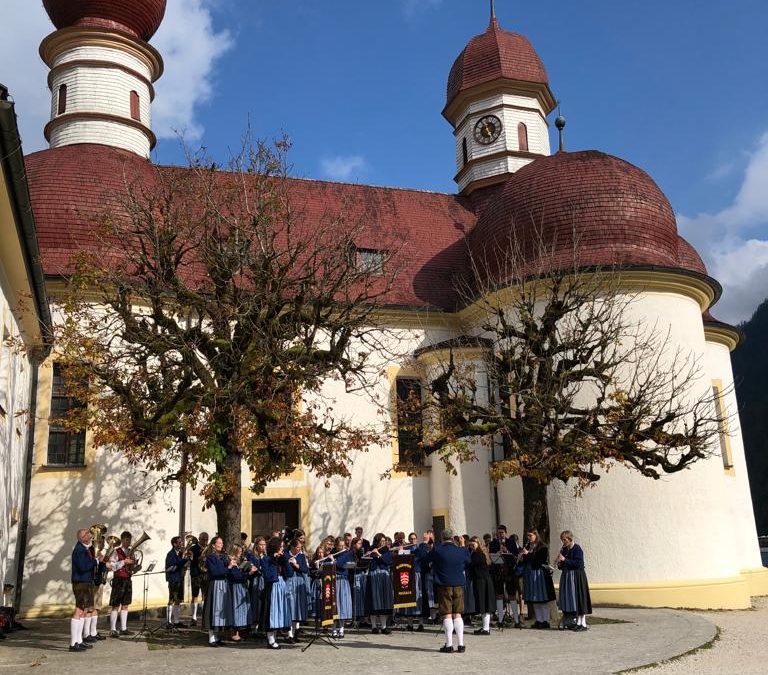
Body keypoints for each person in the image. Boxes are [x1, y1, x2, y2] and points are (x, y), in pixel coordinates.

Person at [427, 528, 470, 653]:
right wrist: (462, 546)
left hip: (444, 584)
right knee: (457, 614)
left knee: (446, 614)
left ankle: (449, 645)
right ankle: (461, 644)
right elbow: (468, 560)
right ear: (452, 538)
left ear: (442, 538)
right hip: (458, 584)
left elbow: (425, 559)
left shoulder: (438, 550)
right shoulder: (461, 551)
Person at [69, 528, 100, 652]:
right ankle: (73, 643)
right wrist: (96, 561)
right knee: (78, 611)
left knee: (82, 611)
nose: (91, 536)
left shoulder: (84, 549)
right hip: (81, 583)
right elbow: (83, 567)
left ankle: (79, 640)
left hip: (85, 582)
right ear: (82, 537)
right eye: (88, 534)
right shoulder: (80, 550)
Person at [519, 529, 556, 628]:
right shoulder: (528, 546)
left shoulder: (542, 547)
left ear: (536, 535)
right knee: (535, 599)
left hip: (539, 575)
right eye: (528, 536)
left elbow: (540, 561)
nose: (529, 538)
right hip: (530, 574)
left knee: (542, 599)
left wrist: (528, 554)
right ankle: (539, 620)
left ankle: (546, 621)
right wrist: (522, 556)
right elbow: (526, 561)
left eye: (530, 536)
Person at [259, 536, 292, 649]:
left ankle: (275, 637)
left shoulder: (282, 558)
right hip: (272, 587)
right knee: (271, 612)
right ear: (275, 547)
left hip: (282, 586)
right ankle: (270, 639)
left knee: (279, 612)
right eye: (280, 547)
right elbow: (268, 575)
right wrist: (273, 559)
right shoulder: (266, 559)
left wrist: (285, 560)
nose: (282, 549)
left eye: (283, 547)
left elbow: (290, 573)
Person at [203, 536, 236, 647]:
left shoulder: (222, 557)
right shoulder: (210, 557)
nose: (221, 545)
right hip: (215, 585)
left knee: (220, 609)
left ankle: (217, 637)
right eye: (219, 543)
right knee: (214, 610)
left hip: (223, 584)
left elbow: (226, 571)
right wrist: (229, 567)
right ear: (213, 545)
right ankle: (211, 638)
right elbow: (216, 572)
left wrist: (231, 563)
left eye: (222, 543)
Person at [556, 530, 592, 631]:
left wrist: (565, 560)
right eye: (562, 540)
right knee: (574, 600)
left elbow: (578, 564)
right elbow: (564, 565)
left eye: (564, 540)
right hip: (568, 576)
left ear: (570, 538)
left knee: (580, 599)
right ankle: (578, 623)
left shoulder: (577, 548)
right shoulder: (565, 549)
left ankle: (583, 624)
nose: (563, 542)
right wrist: (560, 564)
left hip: (577, 576)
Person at [108, 531, 140, 637]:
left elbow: (130, 570)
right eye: (126, 540)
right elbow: (112, 566)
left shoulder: (131, 552)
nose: (128, 542)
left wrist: (136, 568)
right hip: (118, 580)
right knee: (115, 605)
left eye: (129, 540)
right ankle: (112, 629)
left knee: (125, 605)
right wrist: (124, 562)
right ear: (122, 540)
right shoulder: (116, 551)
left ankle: (123, 628)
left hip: (127, 580)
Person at [489, 524, 521, 628]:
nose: (500, 535)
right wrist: (497, 553)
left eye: (502, 533)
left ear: (505, 533)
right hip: (498, 572)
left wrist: (507, 552)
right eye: (498, 533)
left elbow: (516, 556)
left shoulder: (511, 542)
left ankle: (516, 619)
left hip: (509, 572)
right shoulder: (493, 543)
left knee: (512, 594)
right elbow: (491, 556)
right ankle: (500, 619)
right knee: (499, 595)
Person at [366, 532, 394, 634]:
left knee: (384, 601)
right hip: (373, 576)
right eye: (381, 541)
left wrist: (378, 554)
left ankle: (384, 627)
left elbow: (388, 561)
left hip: (384, 577)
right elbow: (365, 561)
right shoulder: (371, 549)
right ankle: (373, 627)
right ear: (377, 542)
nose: (383, 543)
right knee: (373, 601)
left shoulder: (387, 550)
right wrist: (370, 554)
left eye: (384, 541)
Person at [468, 536, 495, 635]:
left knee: (484, 604)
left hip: (482, 581)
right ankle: (485, 627)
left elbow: (470, 564)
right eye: (470, 545)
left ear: (478, 543)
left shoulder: (477, 554)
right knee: (484, 604)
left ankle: (486, 628)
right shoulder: (482, 552)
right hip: (485, 580)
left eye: (473, 544)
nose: (471, 546)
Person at [284, 538, 309, 639]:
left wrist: (296, 565)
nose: (299, 549)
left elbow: (305, 570)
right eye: (298, 547)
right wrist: (289, 563)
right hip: (289, 582)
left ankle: (294, 633)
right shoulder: (286, 555)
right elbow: (286, 571)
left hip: (299, 582)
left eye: (300, 547)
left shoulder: (301, 556)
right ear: (293, 547)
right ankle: (289, 633)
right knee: (290, 607)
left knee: (297, 608)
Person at [228, 545, 253, 642]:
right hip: (235, 587)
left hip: (242, 586)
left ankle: (240, 631)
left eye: (241, 552)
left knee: (241, 609)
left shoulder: (240, 561)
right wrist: (248, 573)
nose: (240, 554)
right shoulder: (231, 561)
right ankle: (233, 632)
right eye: (239, 552)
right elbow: (236, 576)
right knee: (235, 608)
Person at [164, 536, 186, 628]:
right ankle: (168, 622)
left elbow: (183, 564)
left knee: (178, 600)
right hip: (173, 579)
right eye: (179, 543)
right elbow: (173, 566)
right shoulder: (170, 554)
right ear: (174, 544)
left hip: (179, 579)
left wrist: (188, 559)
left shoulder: (180, 553)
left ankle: (176, 621)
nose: (181, 544)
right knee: (172, 600)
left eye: (181, 542)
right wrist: (183, 560)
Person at [189, 531, 208, 626]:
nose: (205, 541)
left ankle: (205, 616)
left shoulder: (209, 549)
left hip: (206, 574)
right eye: (203, 539)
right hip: (196, 574)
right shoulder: (193, 548)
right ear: (199, 539)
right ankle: (194, 617)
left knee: (205, 596)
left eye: (206, 539)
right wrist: (199, 559)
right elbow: (191, 561)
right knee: (195, 596)